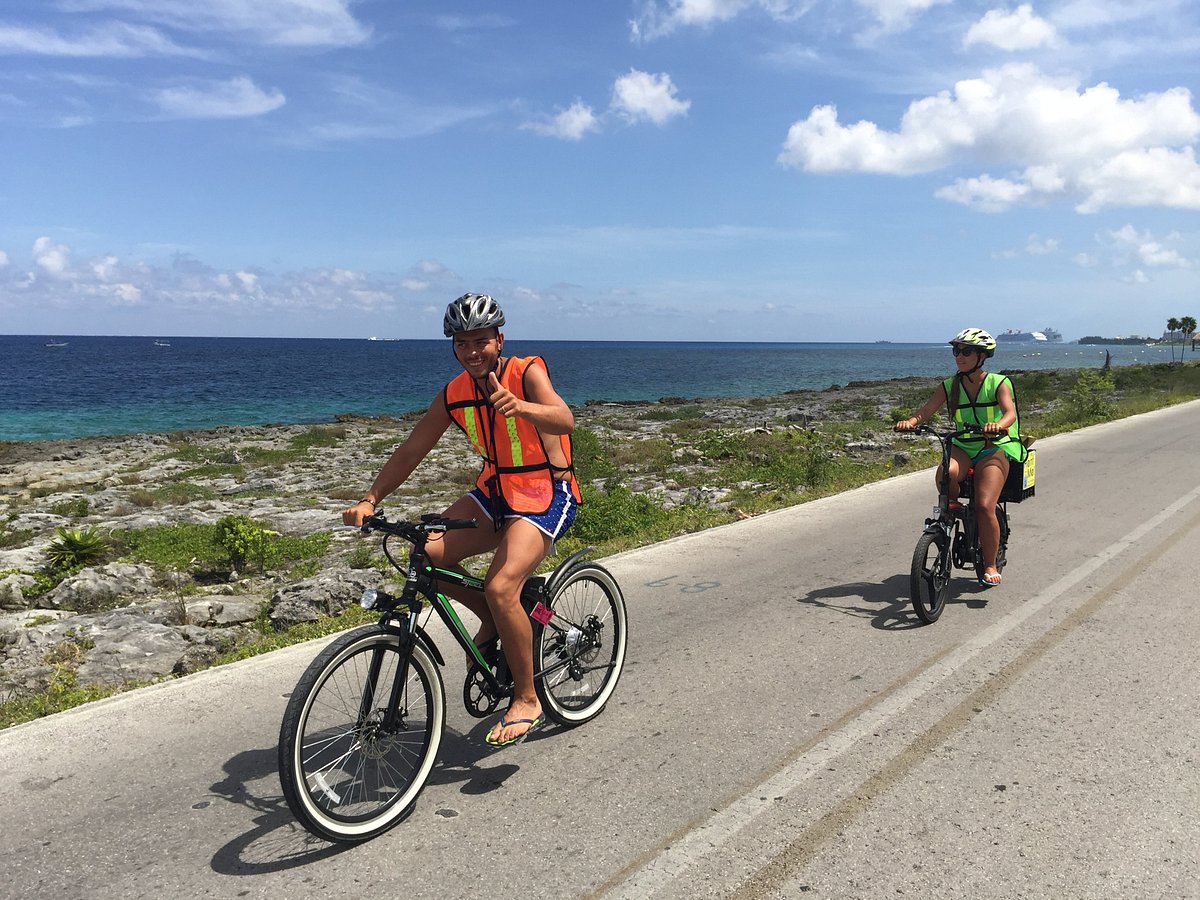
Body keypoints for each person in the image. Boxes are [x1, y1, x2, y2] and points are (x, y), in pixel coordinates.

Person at [343, 292, 581, 746]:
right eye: (462, 343)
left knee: (501, 586)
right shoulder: (454, 394)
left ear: (498, 339)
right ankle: (492, 621)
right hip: (496, 490)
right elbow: (413, 448)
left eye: (480, 341)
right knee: (426, 554)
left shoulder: (526, 371)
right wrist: (370, 498)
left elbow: (565, 419)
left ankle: (527, 699)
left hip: (549, 490)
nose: (472, 351)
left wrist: (520, 406)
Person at [893, 327, 1021, 587]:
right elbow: (926, 410)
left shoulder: (999, 382)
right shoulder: (950, 386)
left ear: (982, 356)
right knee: (946, 473)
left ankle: (989, 564)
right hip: (963, 444)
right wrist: (910, 422)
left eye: (966, 351)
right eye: (956, 351)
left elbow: (1010, 413)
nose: (959, 356)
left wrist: (999, 425)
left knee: (985, 506)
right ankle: (949, 512)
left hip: (993, 446)